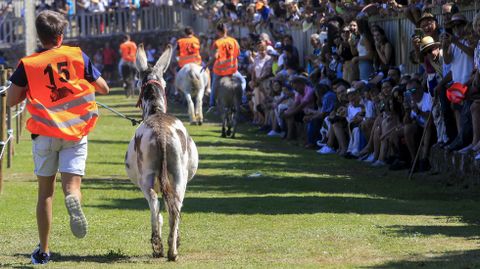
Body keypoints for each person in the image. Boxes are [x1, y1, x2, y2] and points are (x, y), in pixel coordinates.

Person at [6, 10, 109, 265]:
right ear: (61, 36)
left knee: (45, 194)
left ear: (40, 37)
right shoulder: (76, 55)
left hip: (44, 135)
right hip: (74, 133)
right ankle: (73, 199)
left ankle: (44, 250)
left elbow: (10, 101)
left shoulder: (27, 64)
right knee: (72, 187)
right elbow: (103, 87)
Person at [204, 23, 246, 109]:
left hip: (220, 71)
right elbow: (238, 54)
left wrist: (207, 65)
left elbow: (215, 56)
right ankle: (243, 100)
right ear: (226, 30)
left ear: (218, 31)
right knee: (243, 81)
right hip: (232, 69)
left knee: (214, 85)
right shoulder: (234, 41)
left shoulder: (217, 42)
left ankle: (212, 104)